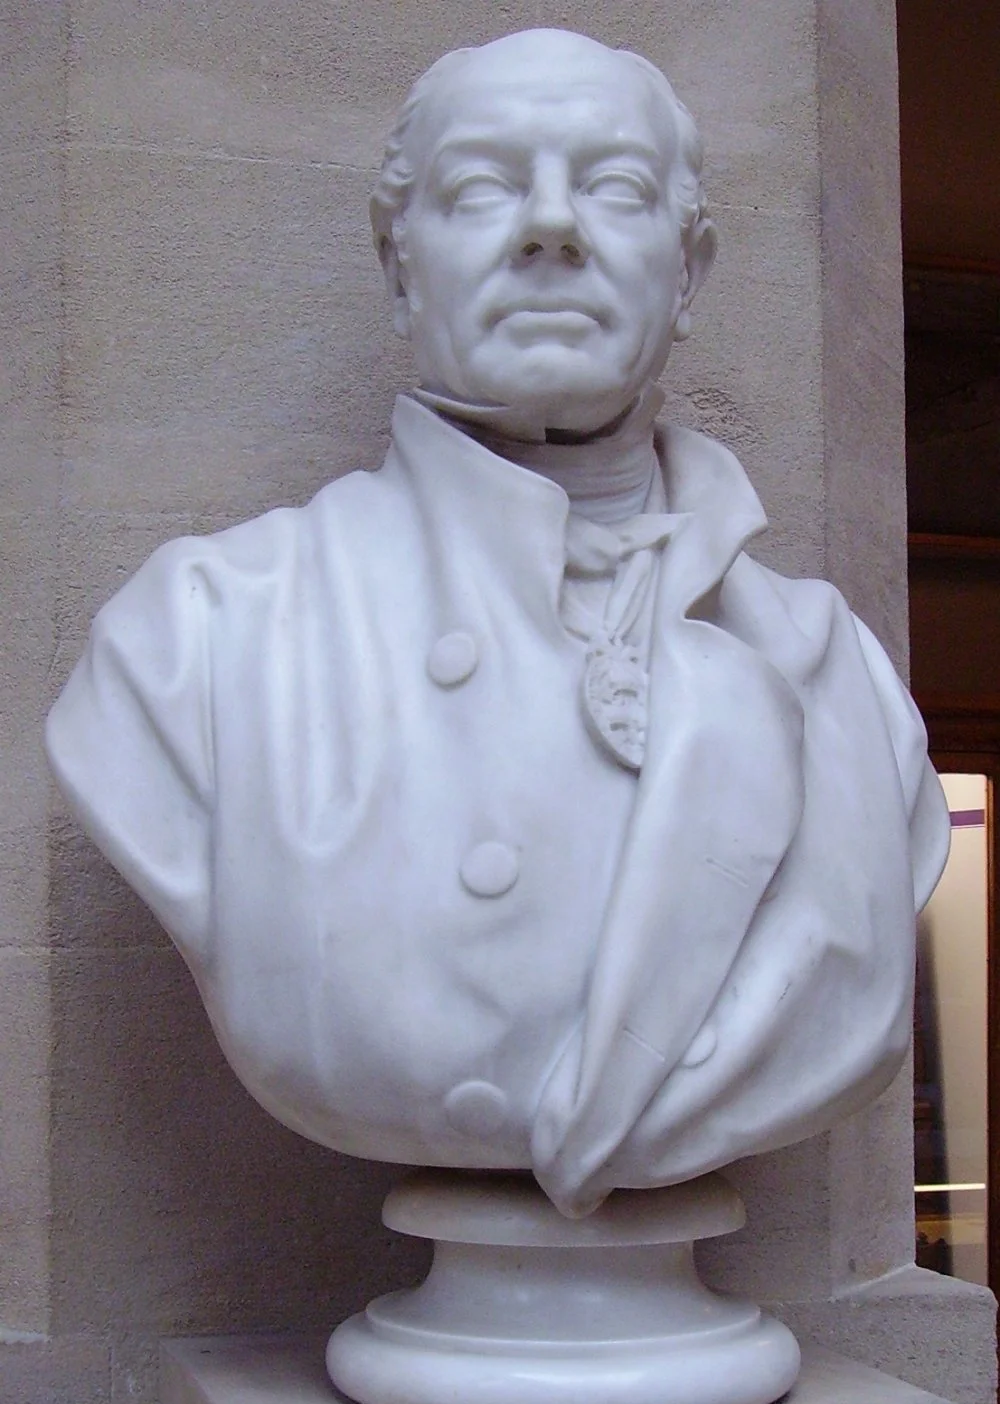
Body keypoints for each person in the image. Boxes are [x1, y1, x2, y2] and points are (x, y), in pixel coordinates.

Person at [46, 30, 949, 1220]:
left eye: (615, 190)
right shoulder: (199, 641)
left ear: (688, 275)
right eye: (481, 188)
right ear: (398, 262)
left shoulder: (837, 679)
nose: (551, 227)